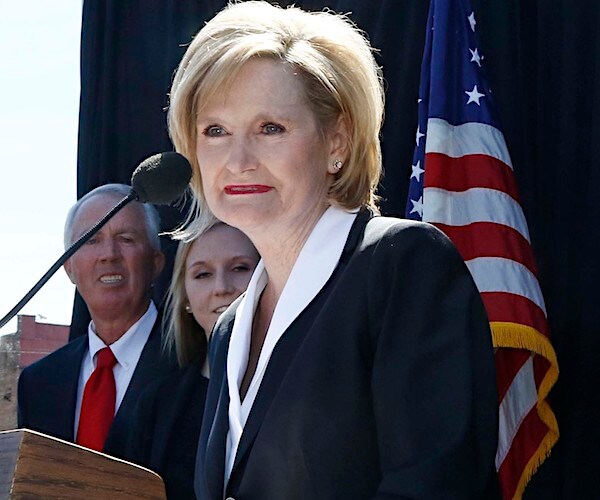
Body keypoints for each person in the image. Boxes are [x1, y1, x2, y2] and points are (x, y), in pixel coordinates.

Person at [168, 1, 500, 498]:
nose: (237, 160)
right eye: (215, 131)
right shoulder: (230, 328)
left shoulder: (400, 265)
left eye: (270, 128)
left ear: (337, 142)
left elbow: (435, 484)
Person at [17, 183, 176, 458]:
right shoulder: (38, 383)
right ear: (69, 269)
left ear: (156, 262)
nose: (109, 254)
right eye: (91, 240)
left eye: (126, 238)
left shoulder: (196, 363)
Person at [124, 214, 259, 499]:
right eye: (203, 274)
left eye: (239, 268)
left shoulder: (303, 385)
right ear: (185, 297)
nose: (222, 287)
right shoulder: (156, 406)